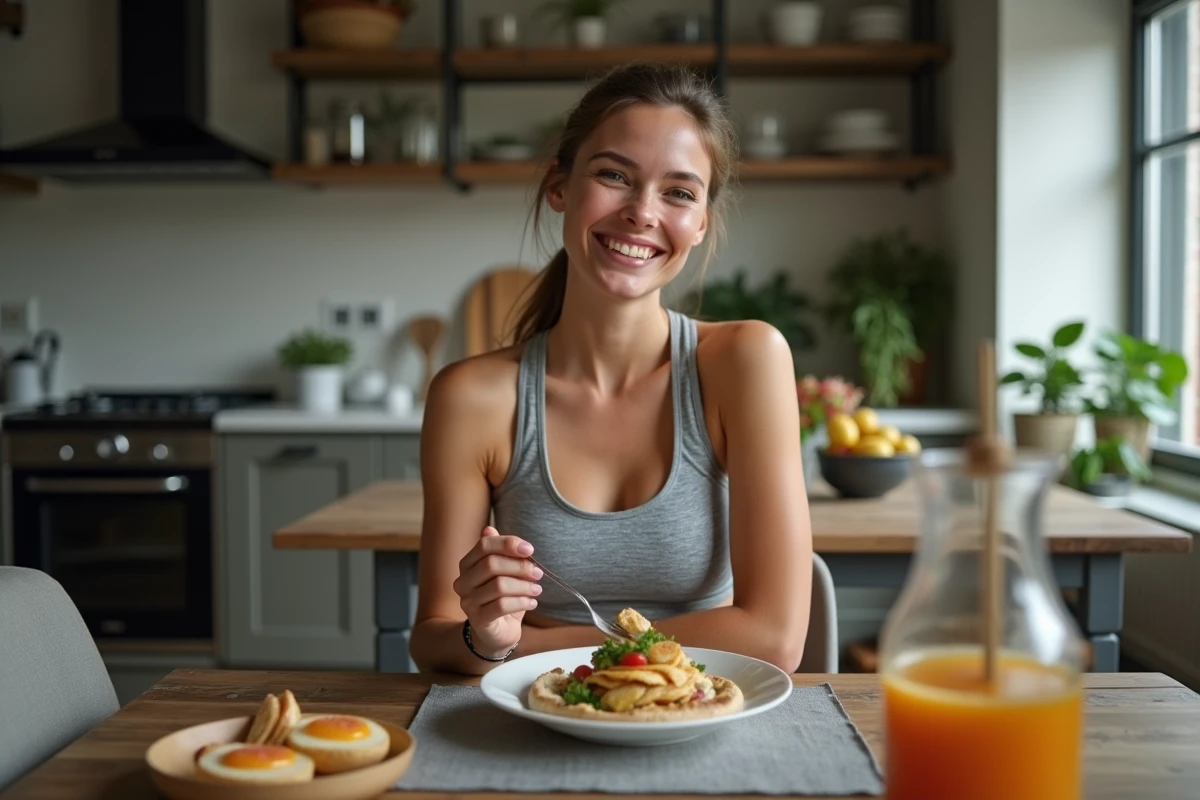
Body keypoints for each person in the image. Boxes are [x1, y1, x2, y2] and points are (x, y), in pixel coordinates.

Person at [409, 62, 812, 675]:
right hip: (540, 722)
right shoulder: (473, 397)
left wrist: (519, 650)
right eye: (614, 175)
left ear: (701, 221)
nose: (642, 213)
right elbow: (436, 634)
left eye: (678, 192)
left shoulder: (745, 361)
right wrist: (485, 636)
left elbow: (775, 638)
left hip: (702, 715)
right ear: (560, 187)